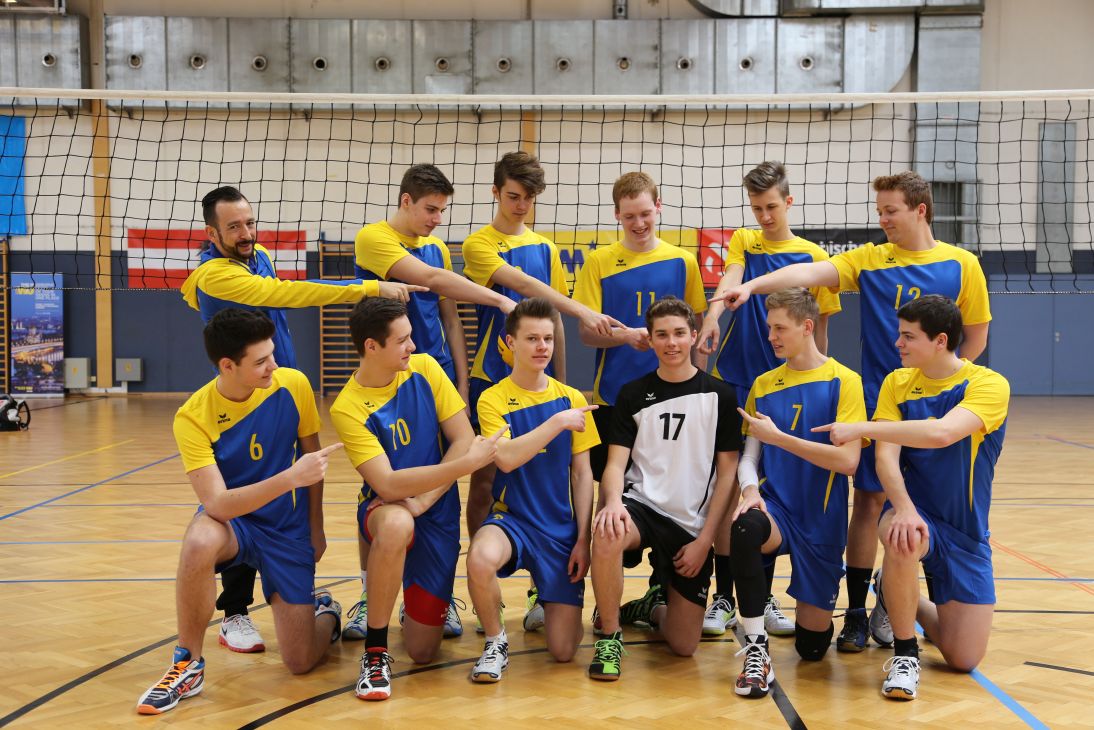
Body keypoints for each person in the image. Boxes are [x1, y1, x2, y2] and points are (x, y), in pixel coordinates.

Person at [713, 171, 991, 652]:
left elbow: (976, 337)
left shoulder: (962, 264)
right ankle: (858, 613)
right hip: (881, 404)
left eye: (890, 211)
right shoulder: (870, 258)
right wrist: (752, 286)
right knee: (869, 503)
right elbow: (807, 274)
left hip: (935, 406)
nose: (882, 220)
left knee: (925, 502)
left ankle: (912, 600)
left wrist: (943, 384)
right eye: (879, 211)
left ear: (920, 210)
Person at [181, 186, 422, 650]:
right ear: (212, 234)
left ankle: (294, 591)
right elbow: (288, 294)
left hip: (286, 393)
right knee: (242, 493)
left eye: (249, 222)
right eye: (233, 227)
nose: (246, 233)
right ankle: (235, 612)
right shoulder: (216, 276)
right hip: (245, 404)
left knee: (289, 488)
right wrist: (370, 287)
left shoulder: (258, 256)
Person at [136, 309, 342, 715]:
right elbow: (217, 504)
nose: (274, 365)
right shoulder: (193, 416)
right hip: (236, 523)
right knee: (199, 538)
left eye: (273, 354)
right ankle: (188, 664)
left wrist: (315, 528)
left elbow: (312, 465)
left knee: (300, 661)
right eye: (261, 361)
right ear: (227, 365)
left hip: (287, 529)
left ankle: (327, 614)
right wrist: (289, 478)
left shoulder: (293, 385)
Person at [350, 164, 517, 640]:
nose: (436, 219)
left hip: (435, 377)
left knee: (448, 476)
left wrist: (461, 380)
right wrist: (500, 301)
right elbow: (432, 279)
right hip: (389, 381)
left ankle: (435, 594)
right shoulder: (373, 239)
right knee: (378, 489)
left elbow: (450, 318)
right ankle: (368, 595)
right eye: (430, 209)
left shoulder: (437, 245)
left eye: (442, 211)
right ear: (405, 201)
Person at [815, 295, 1009, 701]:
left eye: (908, 336)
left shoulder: (987, 385)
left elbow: (942, 433)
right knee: (904, 535)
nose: (897, 343)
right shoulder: (897, 383)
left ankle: (894, 591)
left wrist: (862, 427)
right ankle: (905, 655)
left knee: (963, 657)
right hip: (913, 512)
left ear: (940, 341)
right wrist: (903, 507)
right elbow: (885, 458)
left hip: (966, 530)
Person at [462, 151, 618, 632]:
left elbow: (552, 321)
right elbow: (523, 285)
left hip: (544, 387)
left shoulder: (547, 248)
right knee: (485, 481)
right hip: (492, 377)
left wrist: (563, 385)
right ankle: (484, 584)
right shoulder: (477, 244)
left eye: (529, 198)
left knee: (553, 475)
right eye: (513, 196)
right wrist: (582, 309)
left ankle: (540, 588)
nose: (521, 205)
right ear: (495, 192)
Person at [329, 297, 506, 701]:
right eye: (402, 340)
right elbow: (388, 484)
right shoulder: (347, 408)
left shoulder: (425, 368)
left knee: (424, 651)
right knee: (397, 522)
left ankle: (409, 601)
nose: (413, 345)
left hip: (437, 509)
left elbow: (462, 438)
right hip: (386, 507)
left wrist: (425, 501)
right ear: (371, 346)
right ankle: (375, 652)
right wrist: (464, 466)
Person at [697, 161, 842, 639]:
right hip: (739, 379)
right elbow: (731, 278)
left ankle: (762, 596)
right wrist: (712, 317)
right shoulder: (745, 240)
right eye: (756, 207)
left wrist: (822, 382)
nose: (763, 215)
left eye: (771, 207)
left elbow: (821, 328)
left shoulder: (813, 257)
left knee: (773, 488)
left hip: (788, 388)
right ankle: (724, 596)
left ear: (789, 202)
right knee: (729, 485)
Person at [587, 297, 740, 681]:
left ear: (693, 336)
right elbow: (615, 464)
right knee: (607, 531)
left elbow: (728, 476)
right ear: (650, 340)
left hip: (690, 523)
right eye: (662, 335)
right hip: (641, 506)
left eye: (678, 333)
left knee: (684, 645)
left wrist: (705, 540)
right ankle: (610, 636)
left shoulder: (720, 396)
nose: (671, 342)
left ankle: (652, 608)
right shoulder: (632, 393)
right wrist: (611, 502)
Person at [728, 288, 865, 698]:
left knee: (812, 649)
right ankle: (756, 647)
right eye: (769, 328)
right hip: (777, 511)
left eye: (779, 328)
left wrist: (781, 438)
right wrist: (749, 491)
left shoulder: (845, 382)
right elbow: (749, 457)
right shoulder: (764, 384)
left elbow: (848, 462)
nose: (771, 336)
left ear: (807, 327)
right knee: (745, 528)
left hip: (822, 521)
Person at [465, 298, 598, 682]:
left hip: (558, 530)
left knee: (563, 651)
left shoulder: (572, 398)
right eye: (532, 339)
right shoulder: (492, 399)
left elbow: (582, 475)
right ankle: (495, 642)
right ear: (511, 342)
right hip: (512, 521)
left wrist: (583, 539)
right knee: (480, 558)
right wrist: (556, 422)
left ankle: (545, 595)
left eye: (548, 339)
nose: (542, 347)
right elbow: (506, 459)